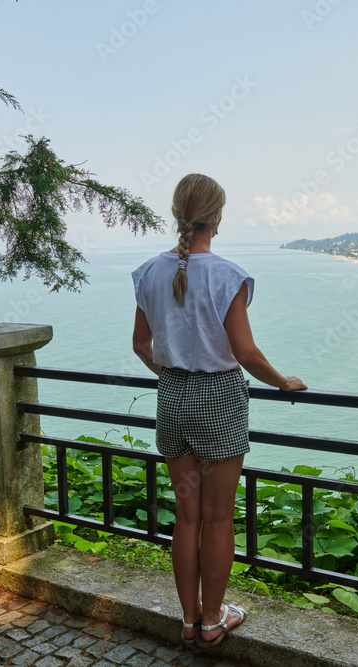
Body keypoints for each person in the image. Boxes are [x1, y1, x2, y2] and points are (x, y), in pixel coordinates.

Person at [131, 173, 306, 648]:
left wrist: (173, 374)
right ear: (218, 217)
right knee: (219, 517)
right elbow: (245, 354)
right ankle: (213, 620)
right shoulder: (228, 275)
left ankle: (189, 621)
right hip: (219, 397)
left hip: (172, 396)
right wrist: (282, 381)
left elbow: (141, 345)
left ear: (177, 215)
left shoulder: (148, 271)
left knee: (187, 516)